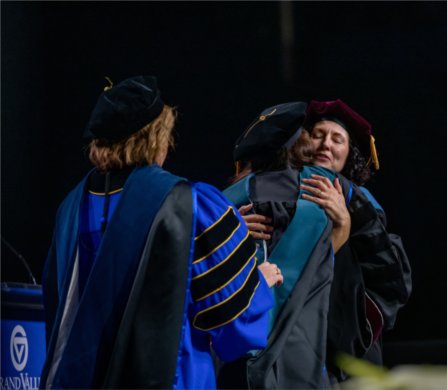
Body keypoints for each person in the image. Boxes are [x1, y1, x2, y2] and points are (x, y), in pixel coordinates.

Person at [40, 76, 282, 389]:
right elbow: (233, 326)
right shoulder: (187, 203)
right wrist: (259, 281)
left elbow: (55, 308)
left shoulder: (71, 207)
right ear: (156, 138)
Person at [236, 99, 412, 384]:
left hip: (339, 340)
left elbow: (391, 281)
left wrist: (348, 220)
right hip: (276, 336)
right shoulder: (264, 193)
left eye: (337, 139)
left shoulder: (364, 205)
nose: (326, 144)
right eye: (317, 135)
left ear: (350, 154)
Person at [219, 101, 343, 389]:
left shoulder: (224, 203)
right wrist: (344, 225)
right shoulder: (327, 195)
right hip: (305, 352)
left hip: (237, 351)